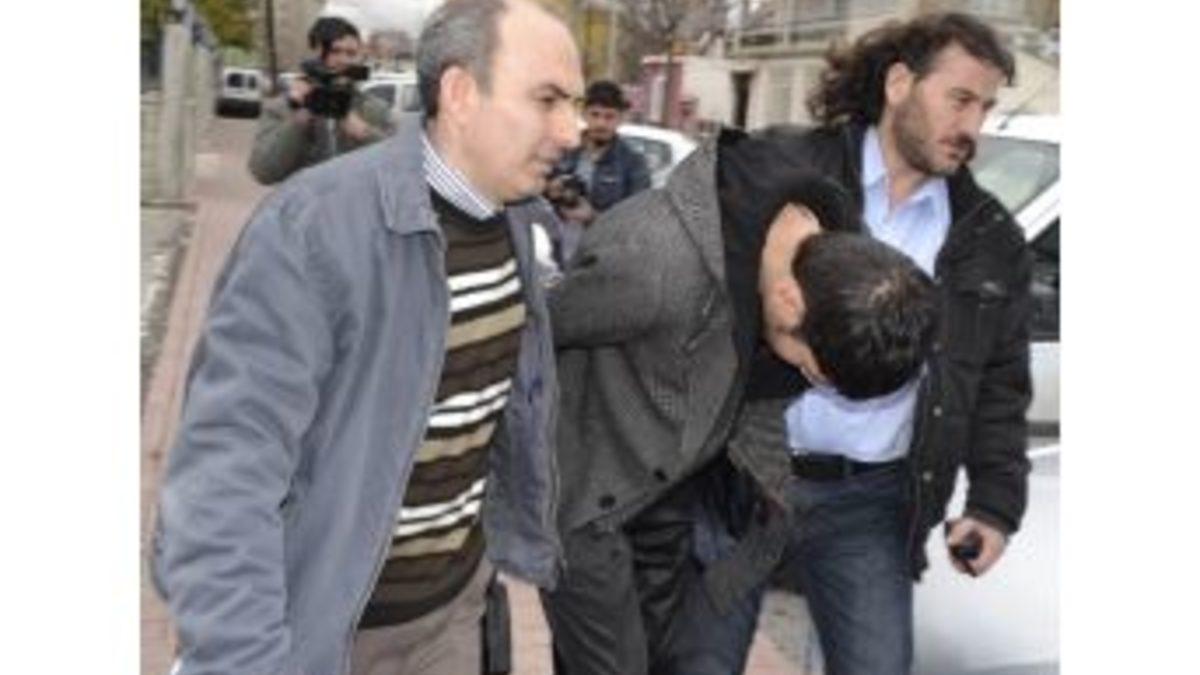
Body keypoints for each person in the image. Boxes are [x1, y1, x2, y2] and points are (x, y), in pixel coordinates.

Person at [149, 2, 584, 674]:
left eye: (575, 105)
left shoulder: (519, 224)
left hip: (453, 617)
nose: (572, 129)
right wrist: (241, 656)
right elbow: (224, 480)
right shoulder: (311, 231)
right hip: (318, 632)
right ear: (461, 93)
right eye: (547, 100)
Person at [682, 12, 1035, 675]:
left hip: (869, 504)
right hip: (739, 480)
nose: (973, 125)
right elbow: (686, 292)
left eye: (985, 107)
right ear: (900, 84)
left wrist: (994, 504)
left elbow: (1001, 381)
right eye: (959, 98)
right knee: (695, 664)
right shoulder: (781, 169)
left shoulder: (989, 237)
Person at [539, 119, 940, 674]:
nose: (809, 385)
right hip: (591, 505)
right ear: (788, 301)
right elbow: (538, 329)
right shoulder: (654, 267)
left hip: (670, 498)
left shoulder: (838, 267)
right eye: (811, 372)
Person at [248, 15, 396, 185]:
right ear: (313, 55)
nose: (344, 60)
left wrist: (365, 134)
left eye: (351, 53)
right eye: (334, 51)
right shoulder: (280, 108)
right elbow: (263, 173)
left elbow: (400, 171)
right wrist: (300, 120)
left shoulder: (376, 110)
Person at [543, 79, 651, 265]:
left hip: (603, 263)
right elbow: (529, 201)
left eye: (609, 117)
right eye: (595, 114)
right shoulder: (561, 150)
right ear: (583, 114)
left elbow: (638, 223)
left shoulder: (633, 163)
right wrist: (549, 190)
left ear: (621, 118)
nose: (601, 123)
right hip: (554, 258)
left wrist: (592, 217)